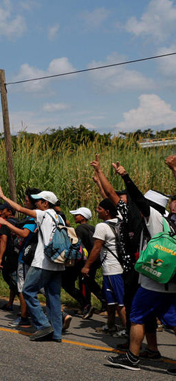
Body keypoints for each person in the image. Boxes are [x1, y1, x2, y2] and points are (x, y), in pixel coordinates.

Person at [101, 158, 175, 370]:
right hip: (170, 282)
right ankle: (147, 352)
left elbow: (138, 199)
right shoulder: (169, 222)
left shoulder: (154, 218)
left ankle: (132, 358)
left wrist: (126, 177)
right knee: (173, 320)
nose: (138, 208)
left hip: (153, 282)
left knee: (137, 317)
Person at [0, 185, 65, 342]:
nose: (36, 204)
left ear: (46, 203)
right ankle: (56, 334)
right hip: (58, 263)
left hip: (43, 262)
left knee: (27, 290)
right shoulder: (59, 217)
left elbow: (19, 209)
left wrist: (3, 197)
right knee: (53, 297)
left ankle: (43, 325)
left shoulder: (43, 214)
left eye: (38, 201)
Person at [82, 199, 126, 337]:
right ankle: (110, 325)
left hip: (113, 269)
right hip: (119, 267)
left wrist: (87, 266)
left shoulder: (102, 226)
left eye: (99, 208)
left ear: (107, 212)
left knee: (120, 302)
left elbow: (96, 248)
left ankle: (127, 330)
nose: (97, 210)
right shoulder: (121, 221)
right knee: (110, 300)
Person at [69, 206, 105, 318]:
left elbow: (79, 246)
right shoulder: (92, 228)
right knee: (89, 282)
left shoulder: (79, 229)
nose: (75, 217)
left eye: (77, 215)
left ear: (83, 217)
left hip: (85, 261)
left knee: (84, 283)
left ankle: (87, 306)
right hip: (95, 260)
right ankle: (104, 302)